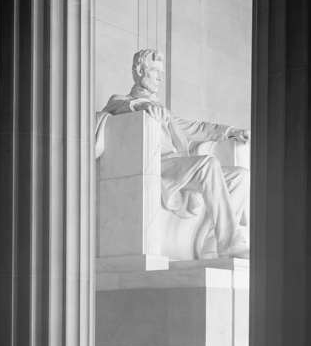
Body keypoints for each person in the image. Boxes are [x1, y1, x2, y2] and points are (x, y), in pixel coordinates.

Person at [96, 49, 250, 259]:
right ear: (140, 71)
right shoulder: (124, 101)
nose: (160, 77)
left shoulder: (163, 110)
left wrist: (231, 131)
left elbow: (197, 128)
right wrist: (141, 104)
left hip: (179, 165)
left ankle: (214, 246)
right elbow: (114, 106)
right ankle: (230, 241)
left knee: (241, 176)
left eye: (162, 72)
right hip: (156, 165)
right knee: (208, 164)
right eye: (155, 71)